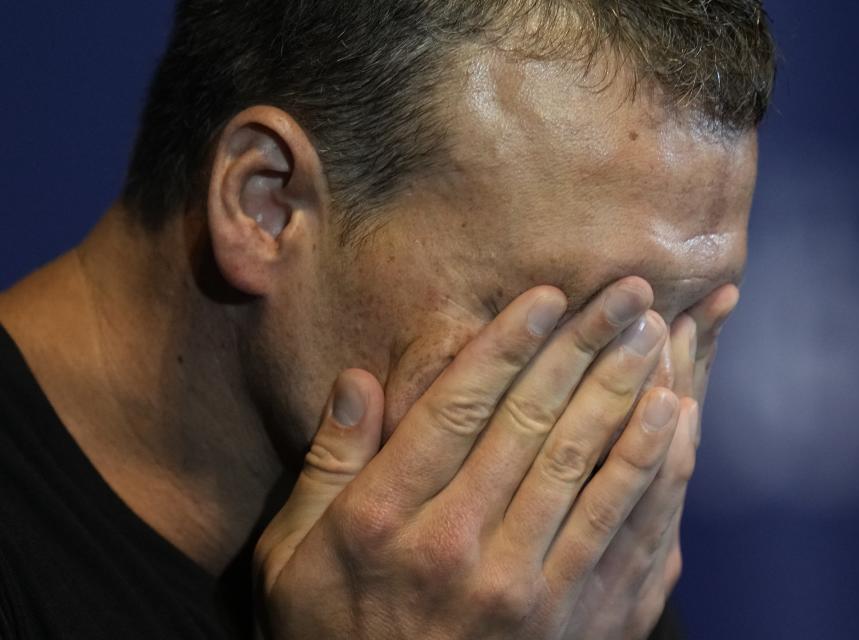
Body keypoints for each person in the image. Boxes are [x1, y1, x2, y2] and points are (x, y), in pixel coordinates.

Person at [0, 1, 775, 638]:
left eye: (688, 323)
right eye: (577, 324)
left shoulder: (525, 551)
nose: (642, 415)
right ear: (264, 205)